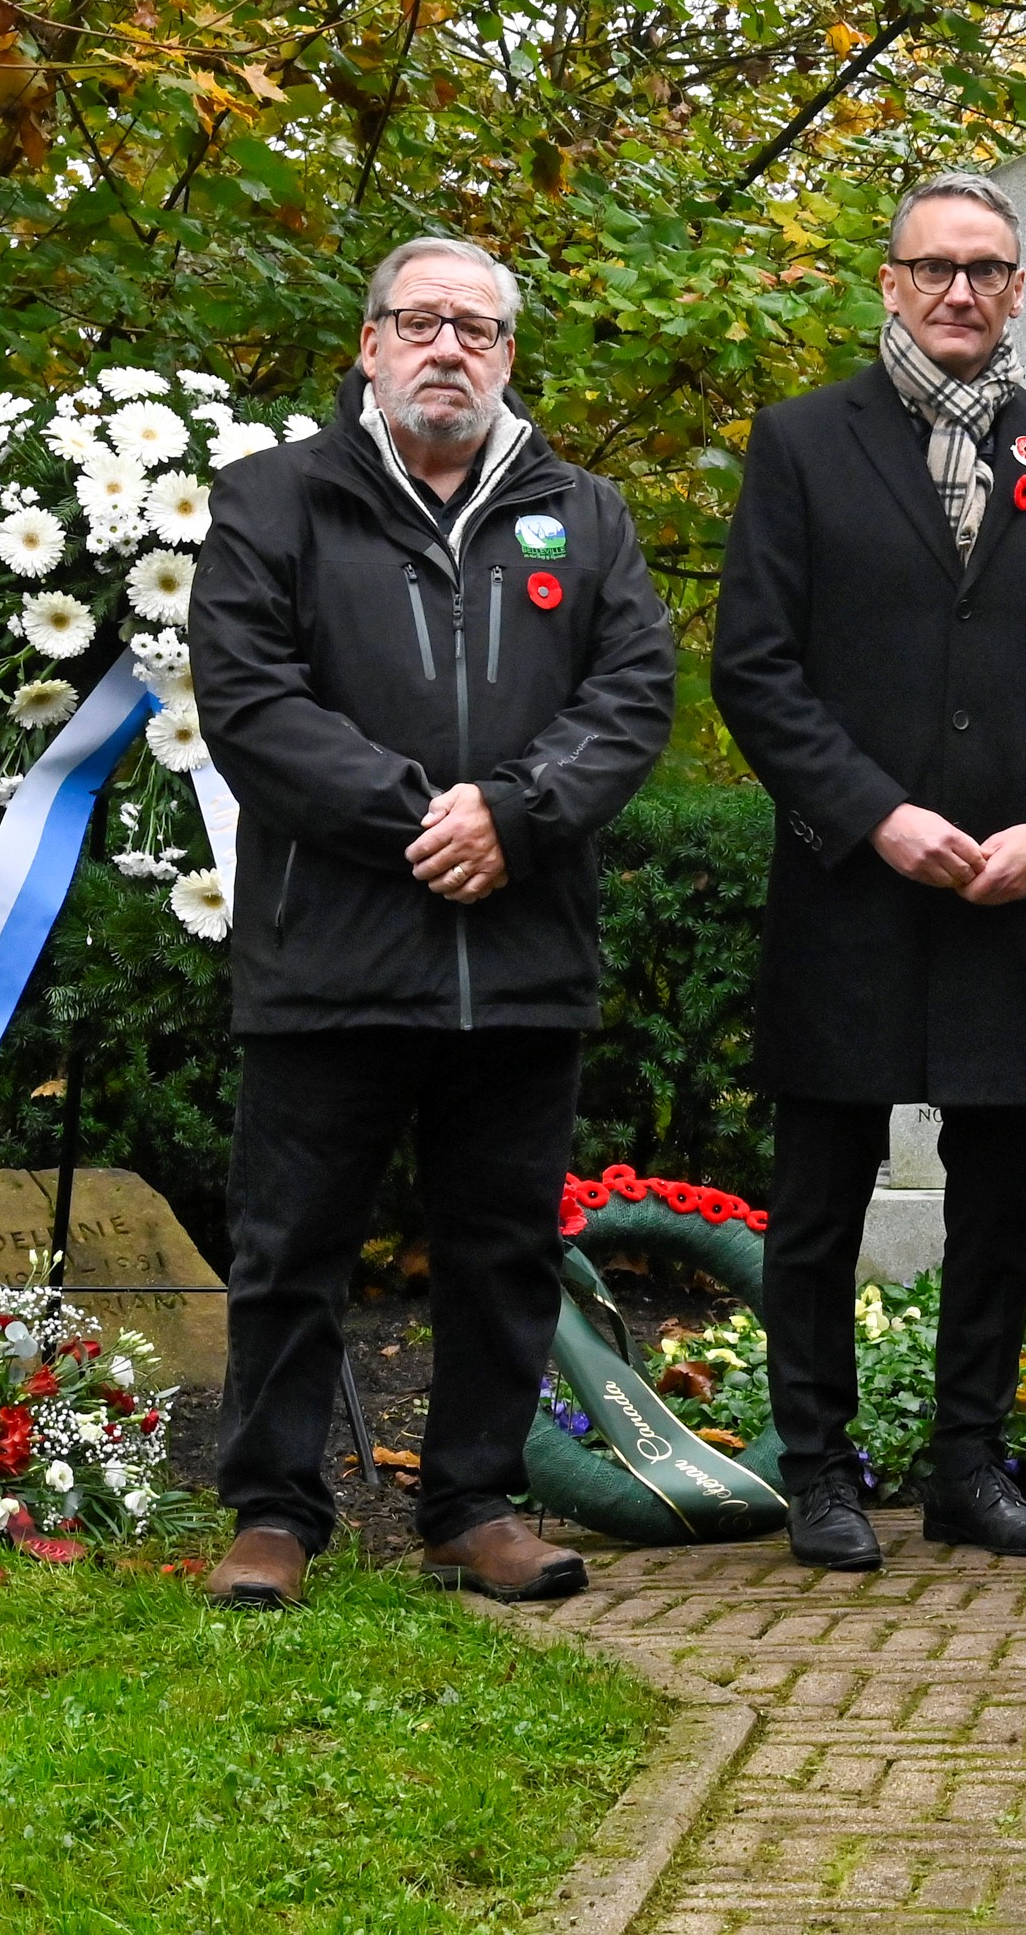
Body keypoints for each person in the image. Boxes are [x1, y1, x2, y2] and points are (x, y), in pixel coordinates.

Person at [190, 234, 679, 1609]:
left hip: (520, 961)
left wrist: (515, 818)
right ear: (369, 345)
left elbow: (632, 696)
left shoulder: (584, 515)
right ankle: (275, 1513)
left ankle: (472, 1503)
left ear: (510, 354)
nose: (446, 348)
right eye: (419, 323)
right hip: (329, 956)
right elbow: (251, 701)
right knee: (291, 1249)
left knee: (504, 1248)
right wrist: (423, 815)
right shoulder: (273, 502)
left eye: (476, 326)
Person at [713, 171, 1026, 1570]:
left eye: (987, 269)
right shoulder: (799, 445)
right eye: (933, 267)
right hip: (853, 883)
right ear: (889, 285)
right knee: (820, 1198)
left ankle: (970, 1466)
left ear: (1019, 290)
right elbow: (757, 670)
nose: (959, 291)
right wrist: (875, 814)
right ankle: (820, 1473)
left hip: (1013, 893)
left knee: (998, 1199)